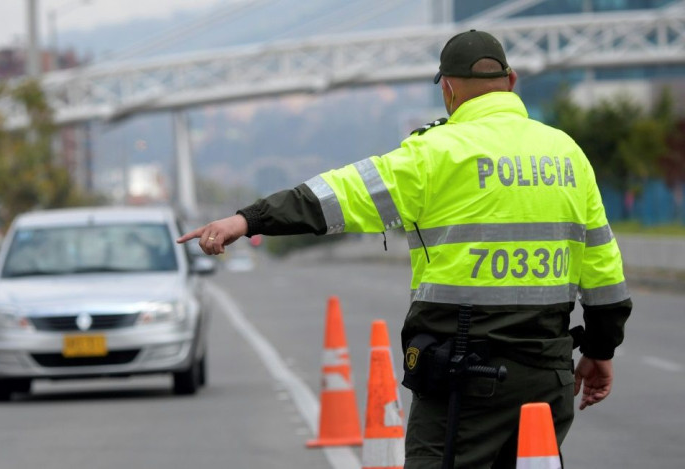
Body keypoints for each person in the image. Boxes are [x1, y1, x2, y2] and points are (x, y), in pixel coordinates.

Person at [177, 29, 632, 468]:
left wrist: (247, 219)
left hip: (466, 377)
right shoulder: (567, 153)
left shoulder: (435, 153)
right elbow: (603, 269)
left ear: (449, 89)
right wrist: (600, 349)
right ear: (511, 83)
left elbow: (338, 196)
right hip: (547, 377)